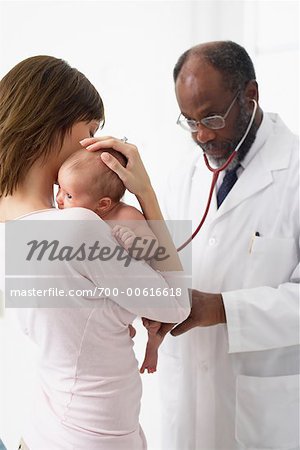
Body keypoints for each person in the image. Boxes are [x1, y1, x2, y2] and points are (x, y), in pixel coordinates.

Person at [0, 55, 190, 450]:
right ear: (55, 123)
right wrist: (145, 192)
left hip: (41, 432)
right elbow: (176, 304)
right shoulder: (74, 227)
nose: (94, 145)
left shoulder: (16, 223)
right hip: (92, 439)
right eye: (90, 130)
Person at [151, 40, 298, 450]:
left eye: (212, 117)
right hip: (189, 405)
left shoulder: (296, 172)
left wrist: (220, 308)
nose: (201, 134)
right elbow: (167, 264)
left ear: (250, 95)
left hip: (266, 414)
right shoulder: (184, 174)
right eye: (189, 120)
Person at [56, 148, 166, 373]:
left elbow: (154, 249)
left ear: (103, 204)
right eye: (60, 189)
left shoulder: (126, 216)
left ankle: (152, 349)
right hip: (112, 292)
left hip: (143, 288)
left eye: (68, 196)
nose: (59, 200)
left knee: (155, 324)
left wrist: (134, 243)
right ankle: (125, 328)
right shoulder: (79, 221)